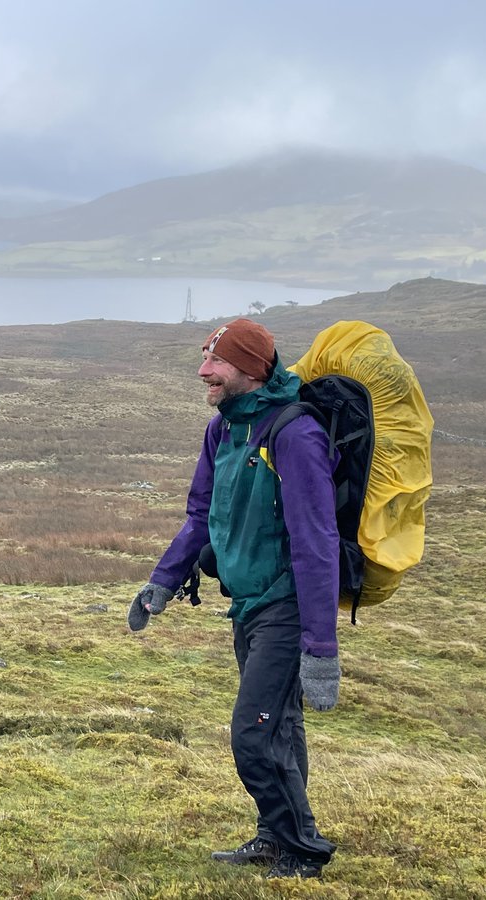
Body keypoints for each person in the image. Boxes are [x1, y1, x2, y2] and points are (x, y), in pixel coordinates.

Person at [127, 317, 340, 879]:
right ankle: (277, 838)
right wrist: (163, 581)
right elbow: (201, 515)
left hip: (286, 605)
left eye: (215, 361)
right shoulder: (223, 429)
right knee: (280, 726)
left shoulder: (294, 434)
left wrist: (321, 648)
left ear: (250, 368)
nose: (203, 371)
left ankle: (303, 851)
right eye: (204, 358)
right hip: (247, 602)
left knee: (253, 733)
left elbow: (317, 542)